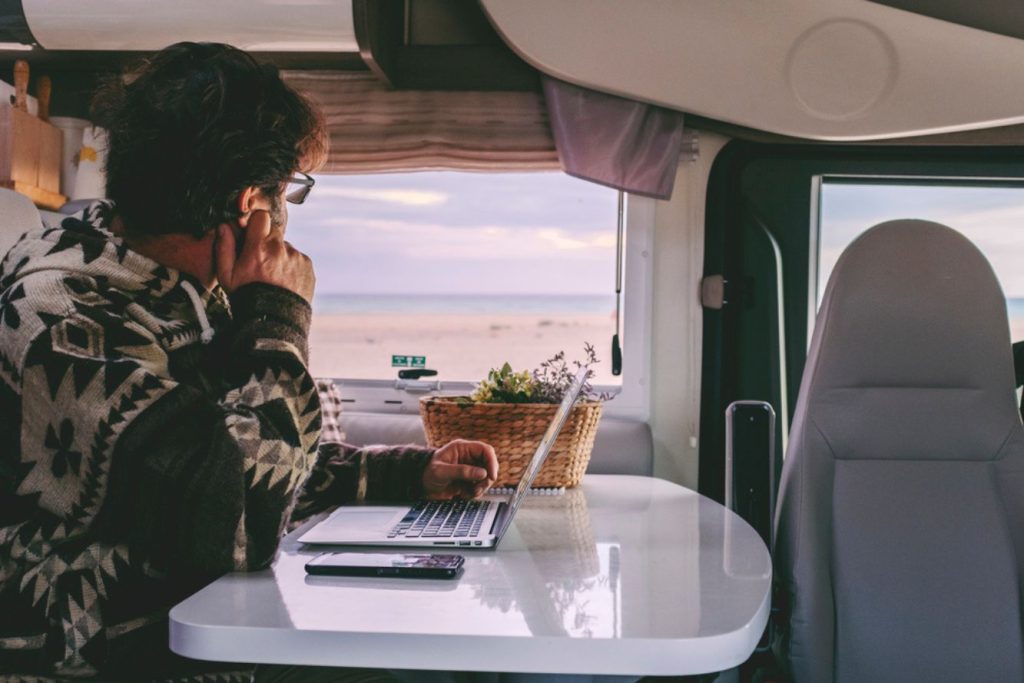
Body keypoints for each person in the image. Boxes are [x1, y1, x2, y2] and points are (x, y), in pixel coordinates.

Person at [0, 42, 497, 681]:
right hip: (107, 654)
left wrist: (406, 474)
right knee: (425, 666)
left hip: (191, 625)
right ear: (250, 202)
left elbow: (237, 457)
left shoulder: (174, 294)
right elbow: (235, 523)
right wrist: (279, 318)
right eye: (288, 190)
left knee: (437, 650)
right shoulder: (63, 317)